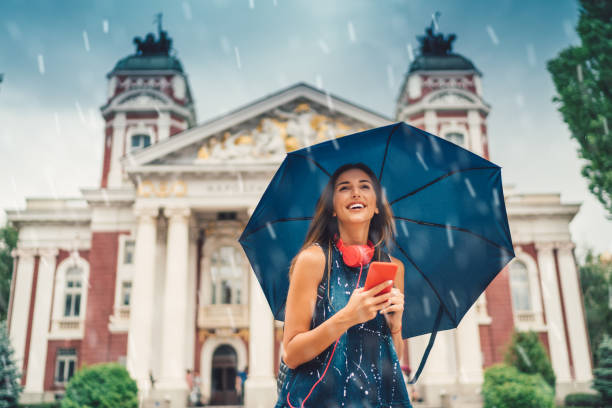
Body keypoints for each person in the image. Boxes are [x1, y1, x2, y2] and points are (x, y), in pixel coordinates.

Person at [275, 163, 412, 407]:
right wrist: (348, 317)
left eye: (365, 186)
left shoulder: (393, 267)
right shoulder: (314, 260)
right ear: (333, 209)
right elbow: (292, 354)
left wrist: (396, 325)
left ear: (377, 206)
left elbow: (391, 359)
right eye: (344, 188)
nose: (356, 193)